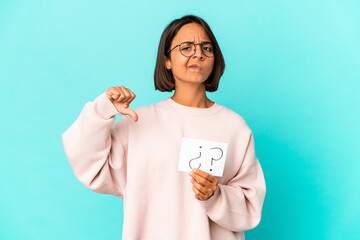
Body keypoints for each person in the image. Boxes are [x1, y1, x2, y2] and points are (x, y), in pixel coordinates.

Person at [61, 14, 266, 240]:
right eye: (186, 47)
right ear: (166, 60)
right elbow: (90, 166)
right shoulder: (139, 122)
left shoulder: (234, 127)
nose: (198, 53)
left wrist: (215, 195)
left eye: (206, 48)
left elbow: (250, 205)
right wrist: (102, 110)